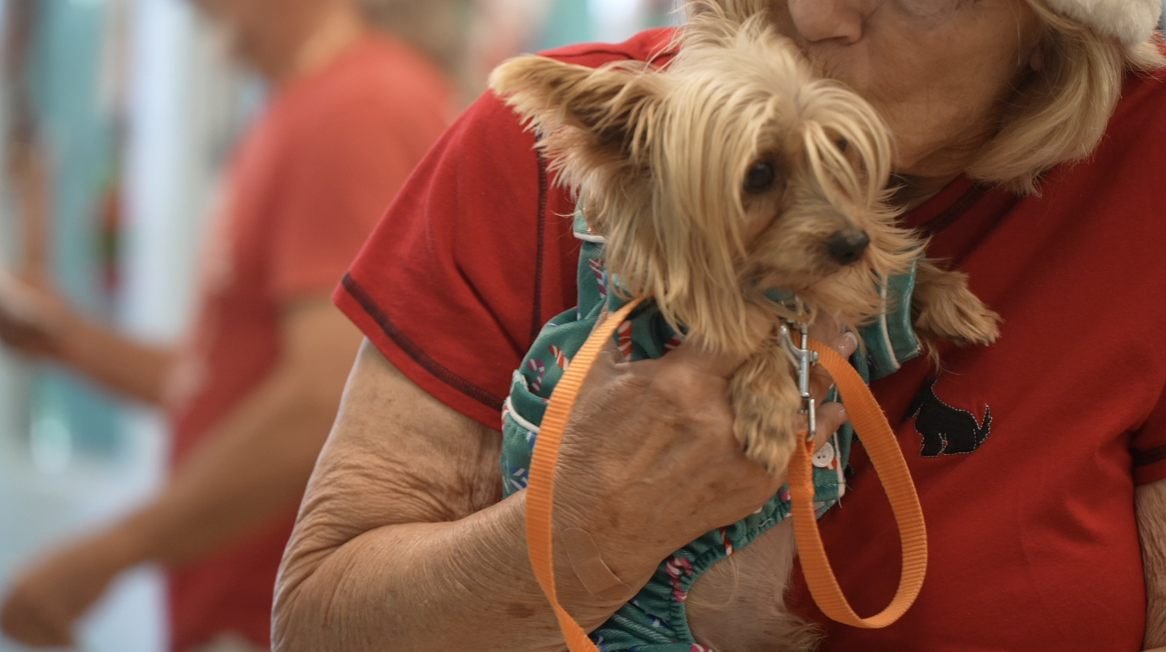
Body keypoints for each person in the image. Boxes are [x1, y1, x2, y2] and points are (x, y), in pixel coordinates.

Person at [273, 0, 1166, 651]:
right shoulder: (565, 148)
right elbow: (321, 628)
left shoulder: (1145, 169)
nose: (815, 13)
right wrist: (588, 521)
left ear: (1055, 21)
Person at [0, 0, 456, 650]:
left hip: (284, 614)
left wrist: (110, 552)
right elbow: (223, 384)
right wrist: (61, 340)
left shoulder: (356, 109)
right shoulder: (304, 107)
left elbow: (327, 398)